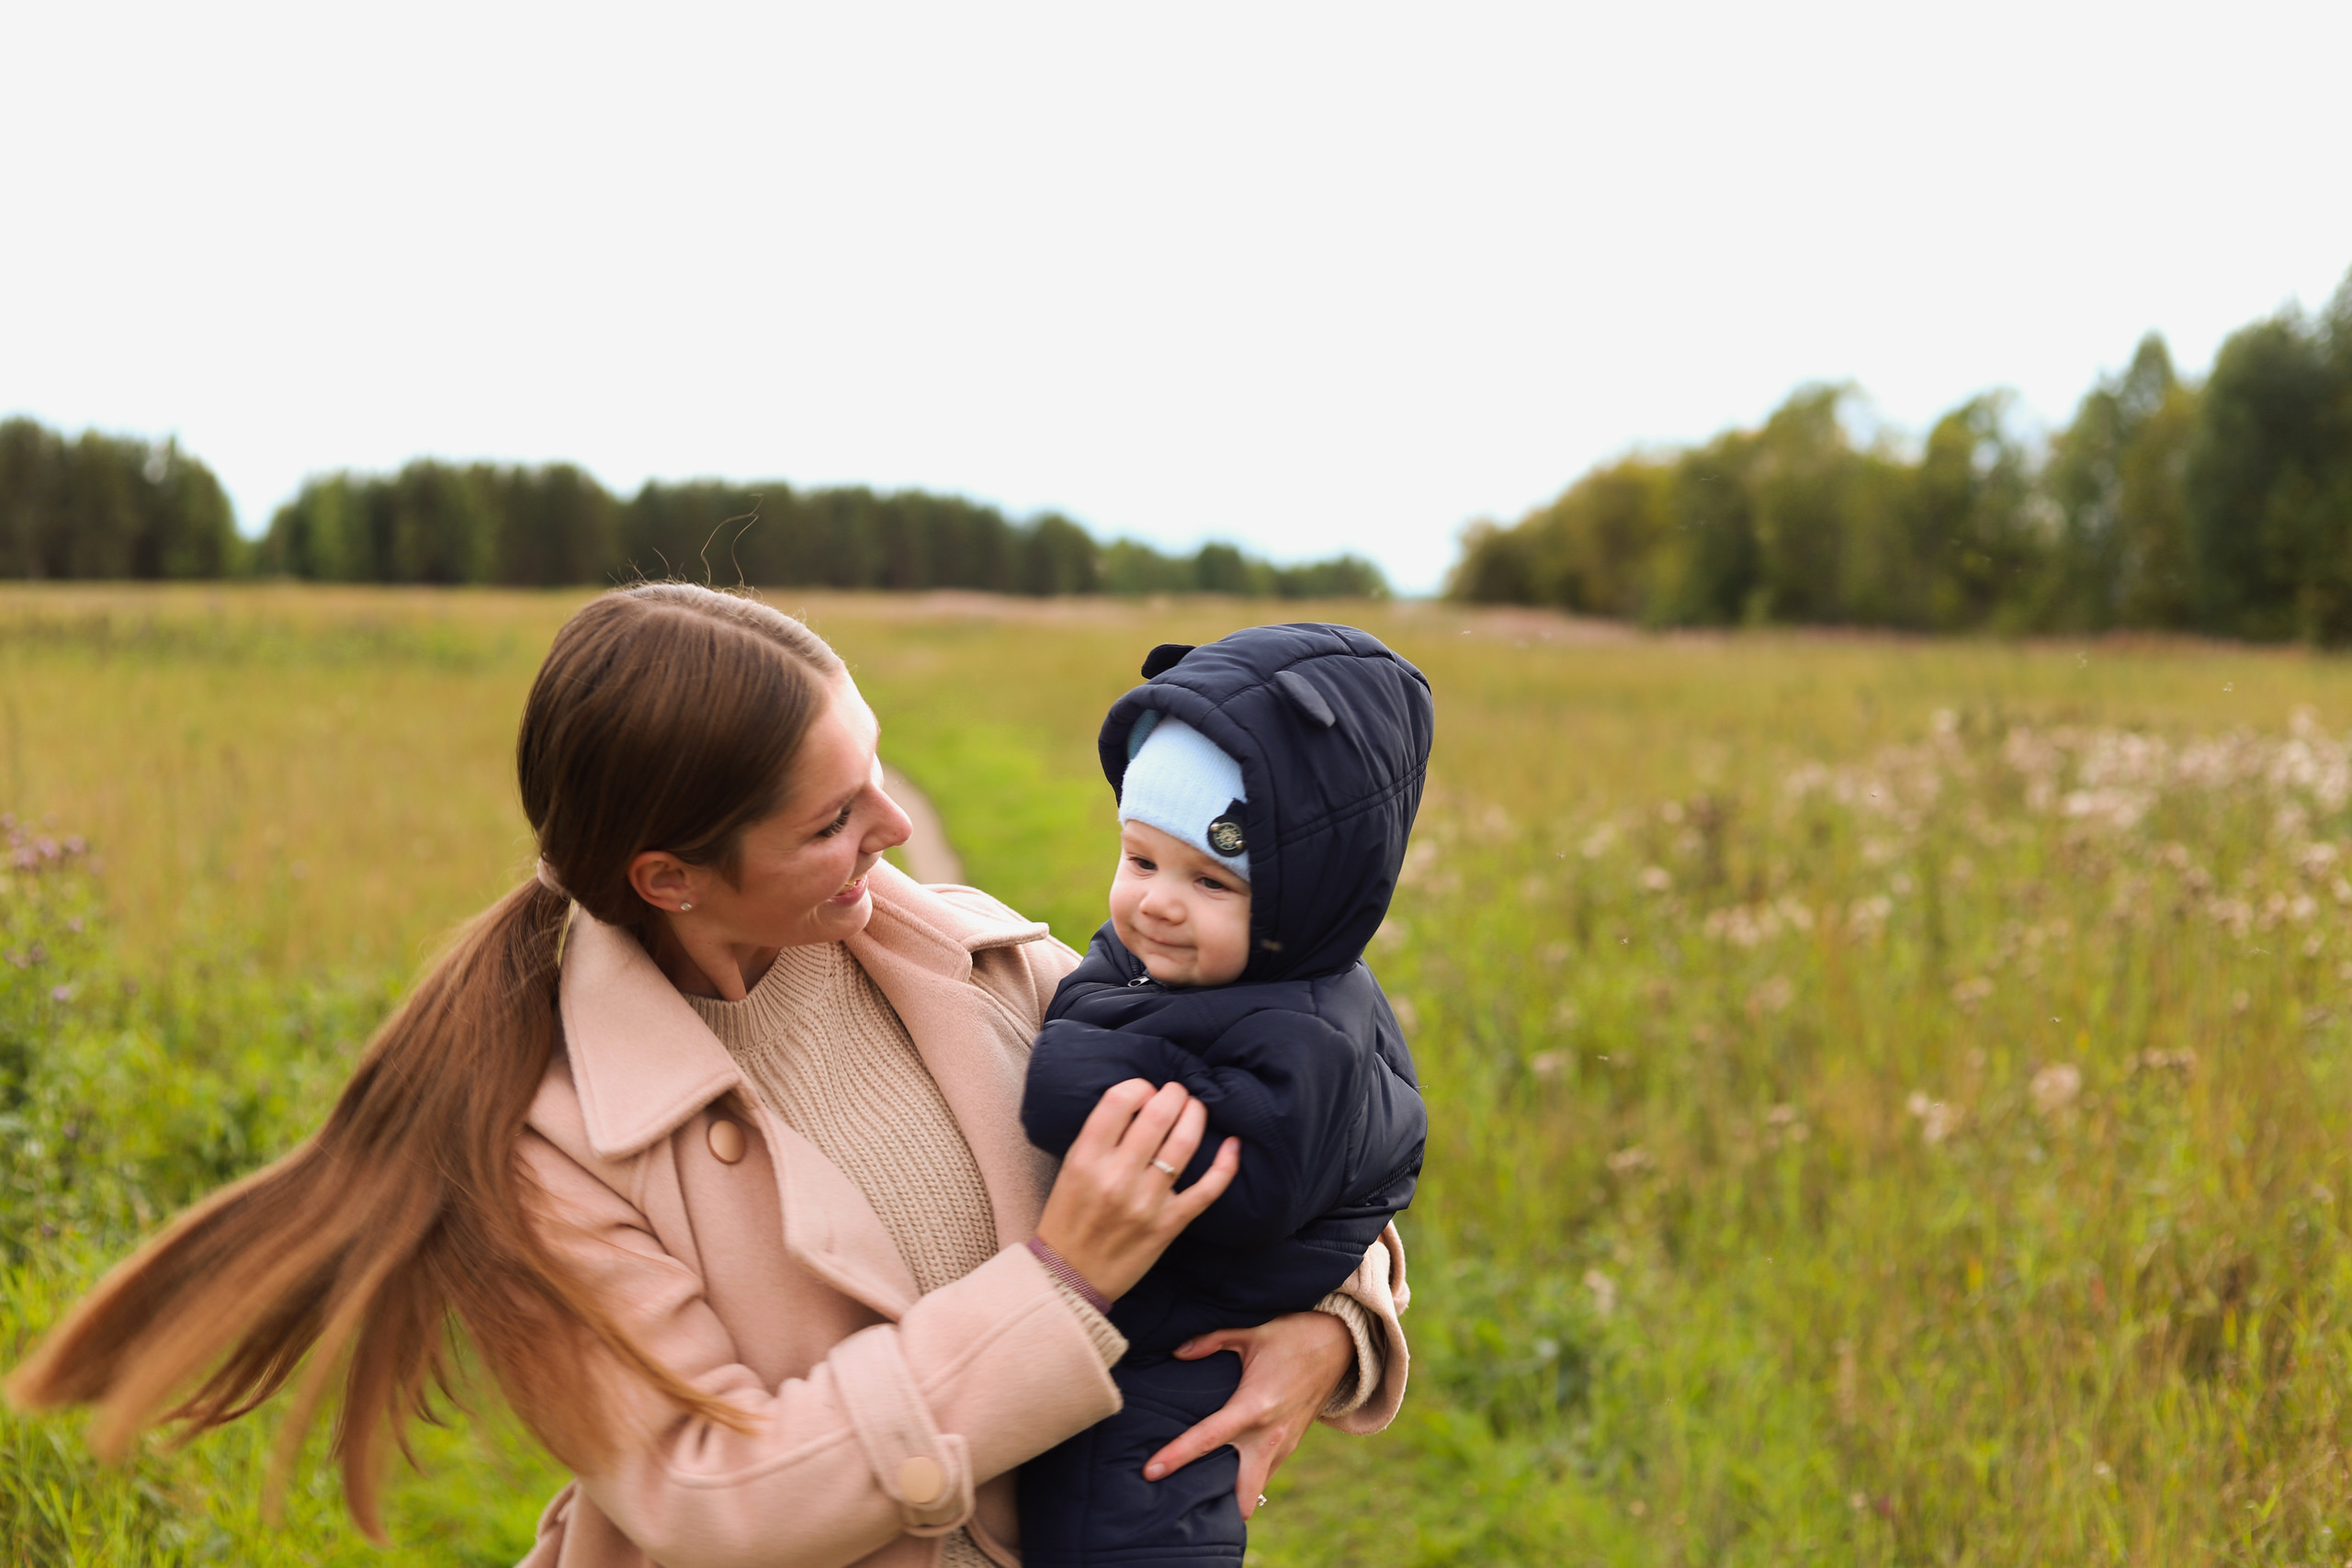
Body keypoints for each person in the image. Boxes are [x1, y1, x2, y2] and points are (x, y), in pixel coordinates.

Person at [4, 584, 1410, 1568]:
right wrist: (1063, 1283)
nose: (894, 823)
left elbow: (1295, 1130)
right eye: (833, 815)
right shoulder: (545, 1150)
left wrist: (1332, 1322)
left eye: (877, 768)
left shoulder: (980, 959)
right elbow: (716, 1494)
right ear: (671, 876)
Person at [1018, 625, 1431, 1568]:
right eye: (1140, 860)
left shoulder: (1303, 1029)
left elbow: (1241, 1182)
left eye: (1211, 880)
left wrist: (1079, 1052)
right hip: (1144, 1333)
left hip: (1179, 1369)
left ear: (1303, 903)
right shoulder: (1227, 973)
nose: (1157, 903)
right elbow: (1109, 976)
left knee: (1116, 1530)